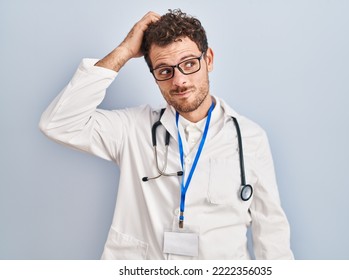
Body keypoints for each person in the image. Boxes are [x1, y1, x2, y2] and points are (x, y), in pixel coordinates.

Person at [39, 9, 294, 260]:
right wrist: (124, 51)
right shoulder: (133, 129)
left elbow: (272, 236)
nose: (179, 81)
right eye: (164, 70)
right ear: (155, 77)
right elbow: (58, 123)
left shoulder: (250, 137)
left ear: (209, 60)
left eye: (189, 64)